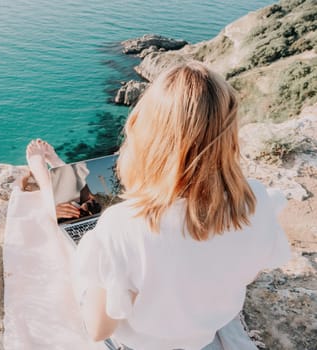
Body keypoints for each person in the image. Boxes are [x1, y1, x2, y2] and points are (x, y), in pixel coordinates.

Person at [22, 61, 291, 349]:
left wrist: (95, 254)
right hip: (203, 333)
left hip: (140, 343)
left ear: (147, 134)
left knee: (74, 240)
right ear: (229, 136)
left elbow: (98, 330)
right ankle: (59, 171)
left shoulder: (123, 225)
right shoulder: (257, 200)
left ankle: (47, 175)